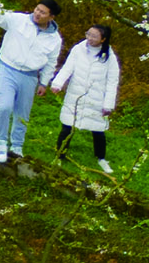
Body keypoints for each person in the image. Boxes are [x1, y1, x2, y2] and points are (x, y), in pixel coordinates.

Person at [0, 0, 62, 163]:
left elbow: (51, 62)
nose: (38, 14)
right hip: (7, 68)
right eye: (37, 9)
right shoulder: (18, 19)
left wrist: (44, 82)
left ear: (51, 17)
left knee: (22, 114)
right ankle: (1, 142)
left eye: (43, 13)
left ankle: (17, 146)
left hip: (29, 76)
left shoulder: (54, 39)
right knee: (4, 106)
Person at [50, 25, 122, 174]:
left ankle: (101, 158)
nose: (90, 38)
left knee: (98, 130)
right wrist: (58, 83)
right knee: (67, 126)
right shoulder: (78, 49)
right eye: (88, 34)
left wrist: (108, 104)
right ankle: (60, 154)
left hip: (96, 98)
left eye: (94, 36)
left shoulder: (109, 56)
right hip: (76, 94)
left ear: (103, 39)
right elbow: (68, 67)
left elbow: (112, 81)